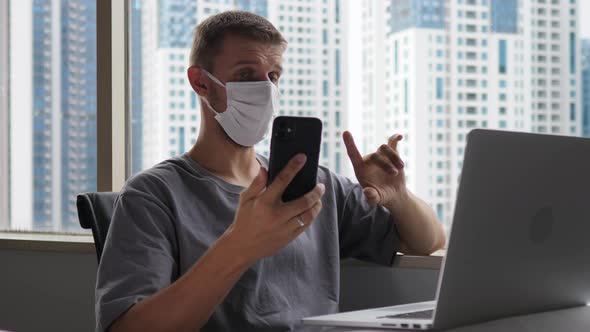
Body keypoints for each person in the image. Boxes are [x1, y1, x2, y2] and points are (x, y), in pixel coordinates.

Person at [95, 10, 445, 332]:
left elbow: (428, 239)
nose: (265, 89)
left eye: (273, 76)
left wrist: (399, 198)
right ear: (201, 83)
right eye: (246, 75)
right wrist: (240, 246)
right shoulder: (153, 196)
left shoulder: (311, 184)